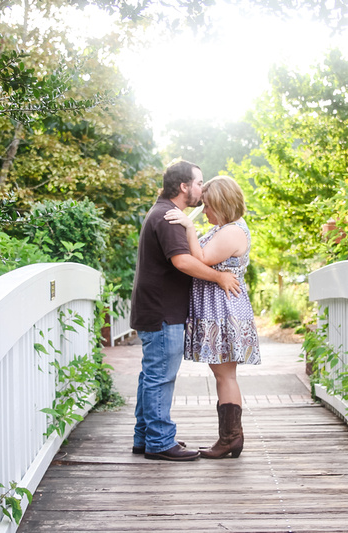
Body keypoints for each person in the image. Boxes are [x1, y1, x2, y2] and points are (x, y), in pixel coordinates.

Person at [130, 160, 241, 462]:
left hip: (157, 308)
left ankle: (146, 437)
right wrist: (220, 277)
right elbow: (183, 262)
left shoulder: (164, 213)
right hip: (162, 310)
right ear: (183, 187)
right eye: (198, 183)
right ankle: (159, 441)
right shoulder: (169, 217)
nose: (202, 189)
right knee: (160, 377)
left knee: (151, 376)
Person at [164, 175, 260, 459]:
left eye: (208, 206)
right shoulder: (226, 228)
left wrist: (189, 226)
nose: (204, 211)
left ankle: (231, 438)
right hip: (219, 309)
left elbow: (203, 258)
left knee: (225, 375)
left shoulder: (232, 232)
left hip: (225, 311)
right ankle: (230, 437)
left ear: (222, 204)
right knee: (223, 374)